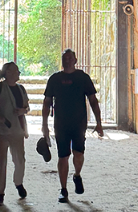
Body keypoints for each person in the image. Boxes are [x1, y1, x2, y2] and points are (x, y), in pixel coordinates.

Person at [41, 49, 103, 202]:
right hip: (61, 123)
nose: (67, 60)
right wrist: (44, 125)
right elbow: (47, 102)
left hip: (79, 123)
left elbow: (93, 101)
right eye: (64, 58)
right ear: (61, 61)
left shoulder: (82, 78)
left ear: (75, 60)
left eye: (70, 58)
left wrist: (99, 123)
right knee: (63, 156)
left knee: (78, 153)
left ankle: (76, 175)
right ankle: (63, 190)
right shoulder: (54, 79)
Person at [0, 61, 30, 206]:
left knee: (20, 160)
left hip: (17, 130)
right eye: (16, 70)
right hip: (0, 131)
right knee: (0, 162)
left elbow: (26, 107)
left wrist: (23, 111)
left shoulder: (21, 89)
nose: (18, 73)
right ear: (8, 72)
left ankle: (18, 183)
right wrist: (2, 119)